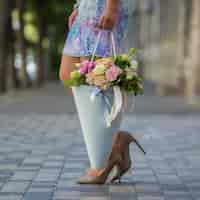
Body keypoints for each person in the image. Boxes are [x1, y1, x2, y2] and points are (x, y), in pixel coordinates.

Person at [59, 0, 143, 184]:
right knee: (69, 74)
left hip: (102, 7)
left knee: (97, 79)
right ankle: (114, 141)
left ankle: (101, 162)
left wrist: (112, 7)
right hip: (87, 8)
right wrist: (78, 6)